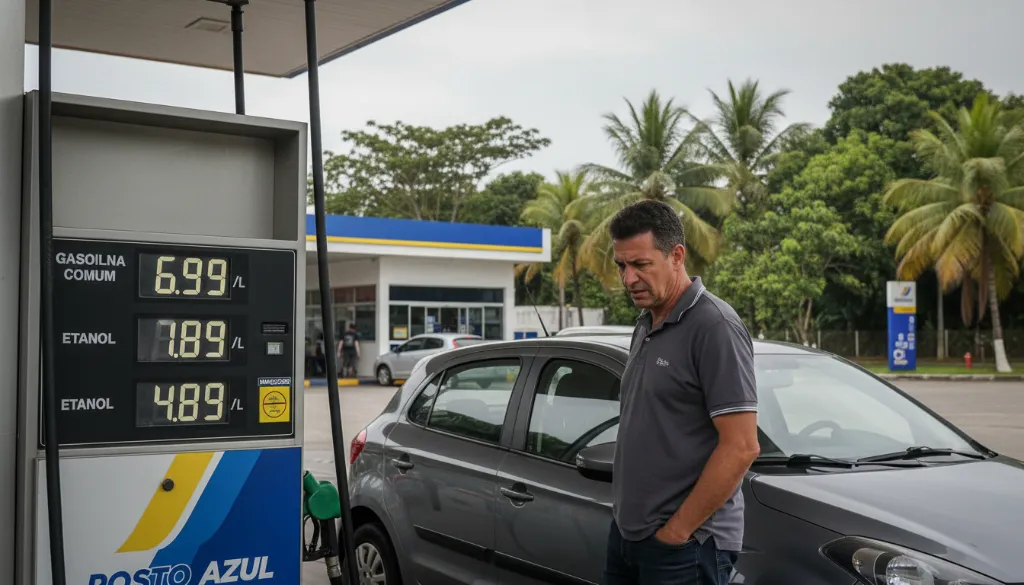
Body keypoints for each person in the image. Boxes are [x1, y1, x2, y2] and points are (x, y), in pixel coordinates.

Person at [603, 200, 760, 585]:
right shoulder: (646, 322)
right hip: (629, 535)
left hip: (685, 546)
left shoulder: (714, 326)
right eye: (621, 266)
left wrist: (676, 532)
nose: (628, 279)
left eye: (641, 265)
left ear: (676, 256)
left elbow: (742, 446)